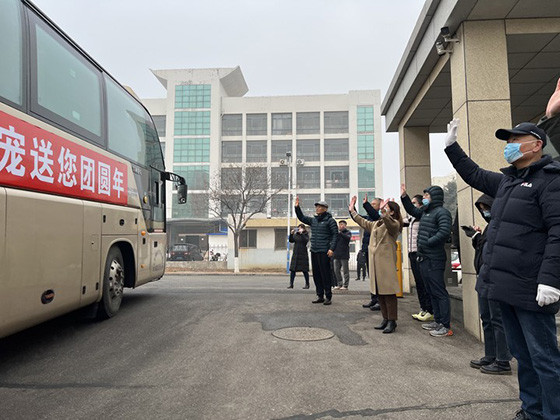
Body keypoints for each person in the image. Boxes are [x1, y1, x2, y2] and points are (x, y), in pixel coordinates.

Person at [444, 113, 560, 419]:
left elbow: (558, 232)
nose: (509, 145)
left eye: (515, 140)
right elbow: (474, 174)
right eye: (508, 140)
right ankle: (532, 411)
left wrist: (551, 279)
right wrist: (452, 147)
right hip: (504, 286)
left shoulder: (551, 180)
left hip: (532, 287)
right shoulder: (509, 181)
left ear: (536, 145)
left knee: (545, 358)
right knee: (523, 355)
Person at [463, 194, 511, 375]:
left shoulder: (501, 225)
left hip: (496, 278)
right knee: (487, 318)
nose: (485, 212)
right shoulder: (490, 226)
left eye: (486, 208)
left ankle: (503, 360)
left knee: (497, 319)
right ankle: (491, 354)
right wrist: (477, 236)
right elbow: (483, 249)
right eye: (482, 209)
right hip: (484, 276)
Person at [401, 184, 453, 337]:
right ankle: (437, 321)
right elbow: (412, 210)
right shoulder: (425, 212)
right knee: (430, 291)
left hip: (434, 258)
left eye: (426, 196)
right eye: (423, 196)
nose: (424, 198)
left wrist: (428, 242)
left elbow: (444, 232)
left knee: (439, 292)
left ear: (435, 197)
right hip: (423, 258)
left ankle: (446, 326)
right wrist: (404, 197)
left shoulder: (442, 212)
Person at [349, 196, 403, 333]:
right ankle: (385, 318)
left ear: (392, 212)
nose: (382, 210)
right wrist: (352, 211)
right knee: (380, 293)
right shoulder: (377, 224)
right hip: (375, 263)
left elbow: (390, 224)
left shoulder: (395, 224)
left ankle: (392, 321)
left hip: (386, 264)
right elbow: (363, 222)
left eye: (386, 209)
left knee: (389, 292)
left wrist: (384, 214)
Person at [295, 197, 338, 305]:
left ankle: (328, 296)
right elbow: (302, 217)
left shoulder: (330, 221)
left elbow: (335, 235)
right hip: (314, 250)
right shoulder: (313, 220)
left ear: (325, 209)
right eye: (317, 207)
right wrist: (297, 207)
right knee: (316, 274)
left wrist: (331, 248)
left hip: (324, 251)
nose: (317, 208)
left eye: (320, 207)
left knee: (325, 274)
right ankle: (320, 295)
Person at [404, 194, 434, 323]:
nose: (412, 205)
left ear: (420, 204)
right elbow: (398, 221)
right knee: (418, 282)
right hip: (412, 252)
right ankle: (423, 308)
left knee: (424, 282)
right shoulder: (411, 219)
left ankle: (429, 310)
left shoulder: (423, 215)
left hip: (420, 252)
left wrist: (404, 197)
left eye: (414, 203)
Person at [360, 195, 382, 311]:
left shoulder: (380, 218)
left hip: (377, 251)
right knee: (372, 276)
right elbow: (358, 218)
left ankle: (380, 301)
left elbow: (375, 216)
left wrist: (366, 204)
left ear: (380, 206)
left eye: (374, 204)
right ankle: (374, 299)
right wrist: (352, 209)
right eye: (371, 204)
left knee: (378, 277)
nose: (371, 206)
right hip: (368, 249)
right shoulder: (368, 218)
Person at [287, 224, 310, 290]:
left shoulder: (305, 234)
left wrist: (302, 234)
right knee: (293, 270)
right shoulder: (296, 234)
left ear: (303, 229)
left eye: (300, 228)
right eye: (298, 228)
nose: (299, 229)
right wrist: (291, 234)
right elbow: (291, 240)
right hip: (296, 254)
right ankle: (291, 284)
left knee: (305, 270)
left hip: (303, 254)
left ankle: (307, 284)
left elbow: (306, 240)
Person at [332, 220, 351, 290]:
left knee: (345, 271)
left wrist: (340, 233)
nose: (340, 226)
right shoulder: (336, 234)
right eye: (339, 224)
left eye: (342, 224)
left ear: (345, 226)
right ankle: (339, 284)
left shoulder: (348, 233)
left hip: (344, 255)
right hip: (336, 254)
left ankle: (345, 285)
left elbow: (347, 238)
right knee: (336, 270)